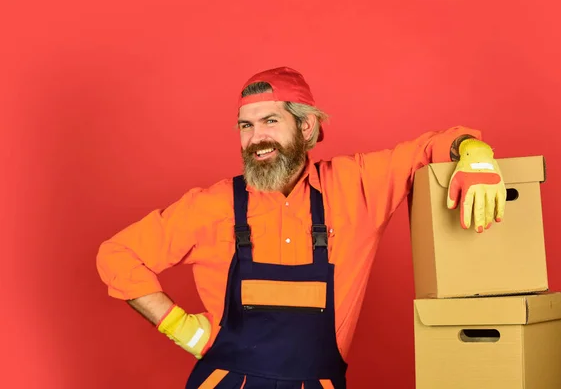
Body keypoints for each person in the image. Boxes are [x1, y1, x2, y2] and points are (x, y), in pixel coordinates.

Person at [96, 66, 506, 388]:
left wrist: (476, 155)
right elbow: (117, 256)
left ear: (306, 127)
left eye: (270, 121)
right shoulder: (211, 206)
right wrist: (182, 330)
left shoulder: (357, 186)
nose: (256, 138)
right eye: (246, 126)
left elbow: (430, 146)